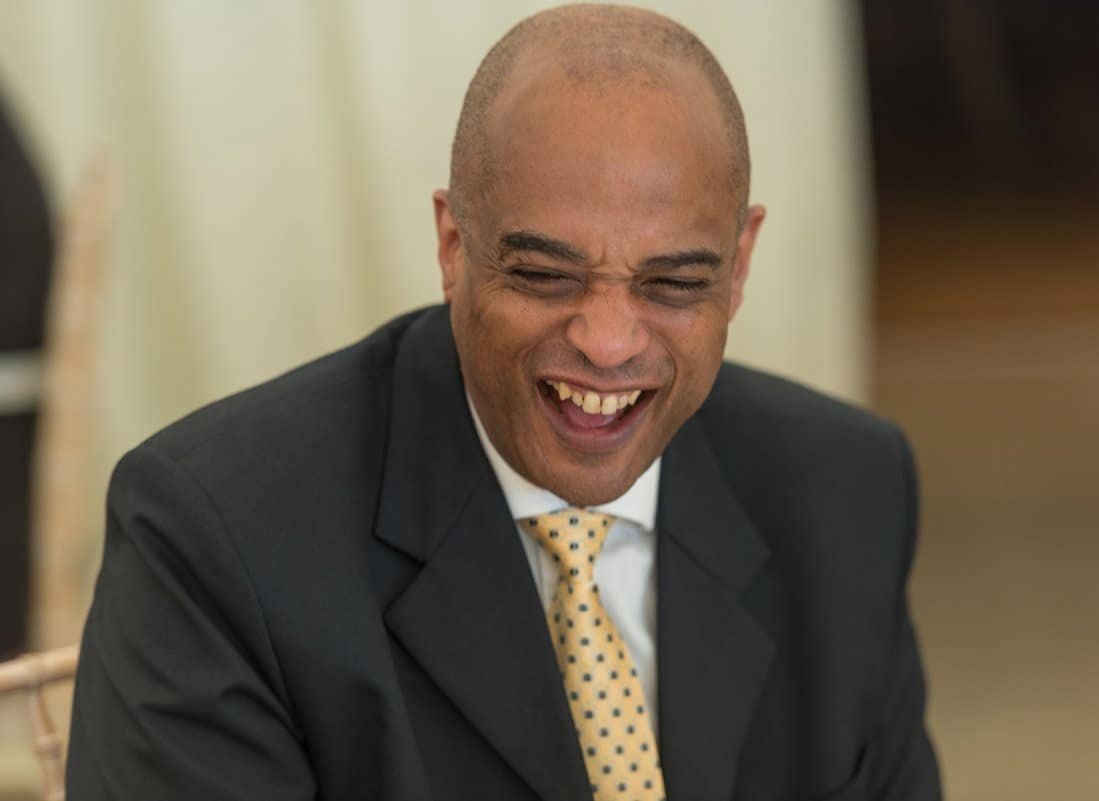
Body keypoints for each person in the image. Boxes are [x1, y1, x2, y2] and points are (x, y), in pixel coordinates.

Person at [66, 5, 941, 800]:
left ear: (739, 264)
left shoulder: (846, 491)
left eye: (673, 283)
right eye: (545, 274)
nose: (608, 341)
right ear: (454, 245)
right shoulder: (216, 537)